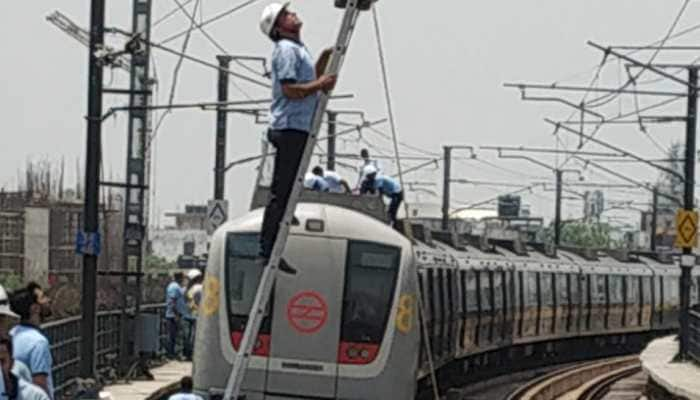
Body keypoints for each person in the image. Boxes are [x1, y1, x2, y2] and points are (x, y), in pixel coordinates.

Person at [258, 2, 337, 264]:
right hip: (290, 126)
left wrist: (325, 59)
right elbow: (292, 89)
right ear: (279, 27)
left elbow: (306, 82)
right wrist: (321, 84)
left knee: (289, 188)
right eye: (286, 15)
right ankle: (268, 249)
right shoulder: (286, 50)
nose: (293, 14)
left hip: (298, 126)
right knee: (282, 191)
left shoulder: (298, 49)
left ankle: (275, 240)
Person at [8, 284, 53, 399]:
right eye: (43, 297)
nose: (48, 300)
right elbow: (40, 383)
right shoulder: (38, 342)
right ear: (35, 308)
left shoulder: (12, 334)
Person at [165, 272, 191, 360]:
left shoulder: (176, 286)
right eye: (183, 278)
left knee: (175, 335)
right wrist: (176, 314)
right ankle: (173, 354)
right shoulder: (174, 287)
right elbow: (172, 301)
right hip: (174, 315)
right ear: (180, 278)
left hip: (176, 314)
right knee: (175, 336)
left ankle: (174, 354)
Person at [184, 269, 203, 360]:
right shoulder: (201, 288)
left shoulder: (188, 289)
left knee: (187, 335)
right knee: (195, 335)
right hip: (198, 314)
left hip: (188, 313)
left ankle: (187, 353)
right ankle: (193, 353)